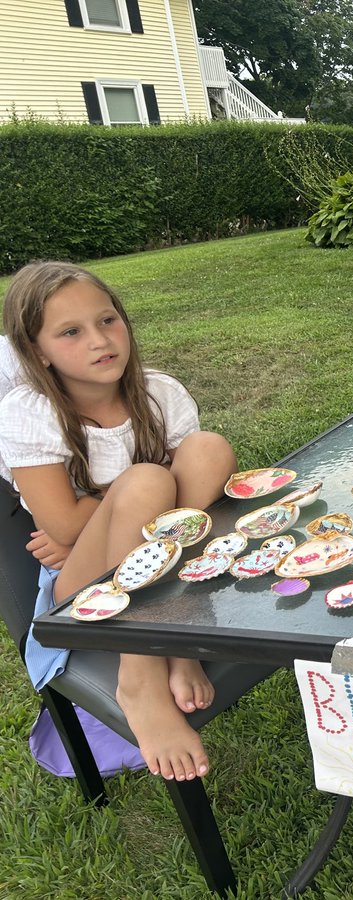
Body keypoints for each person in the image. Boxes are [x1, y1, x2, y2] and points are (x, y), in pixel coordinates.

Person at [0, 261, 237, 781]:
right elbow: (63, 529)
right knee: (150, 482)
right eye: (70, 332)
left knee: (206, 450)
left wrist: (125, 505)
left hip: (160, 563)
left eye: (107, 320)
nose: (99, 340)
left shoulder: (159, 393)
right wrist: (137, 494)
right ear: (37, 350)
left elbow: (193, 507)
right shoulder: (31, 410)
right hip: (83, 590)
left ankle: (175, 638)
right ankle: (140, 672)